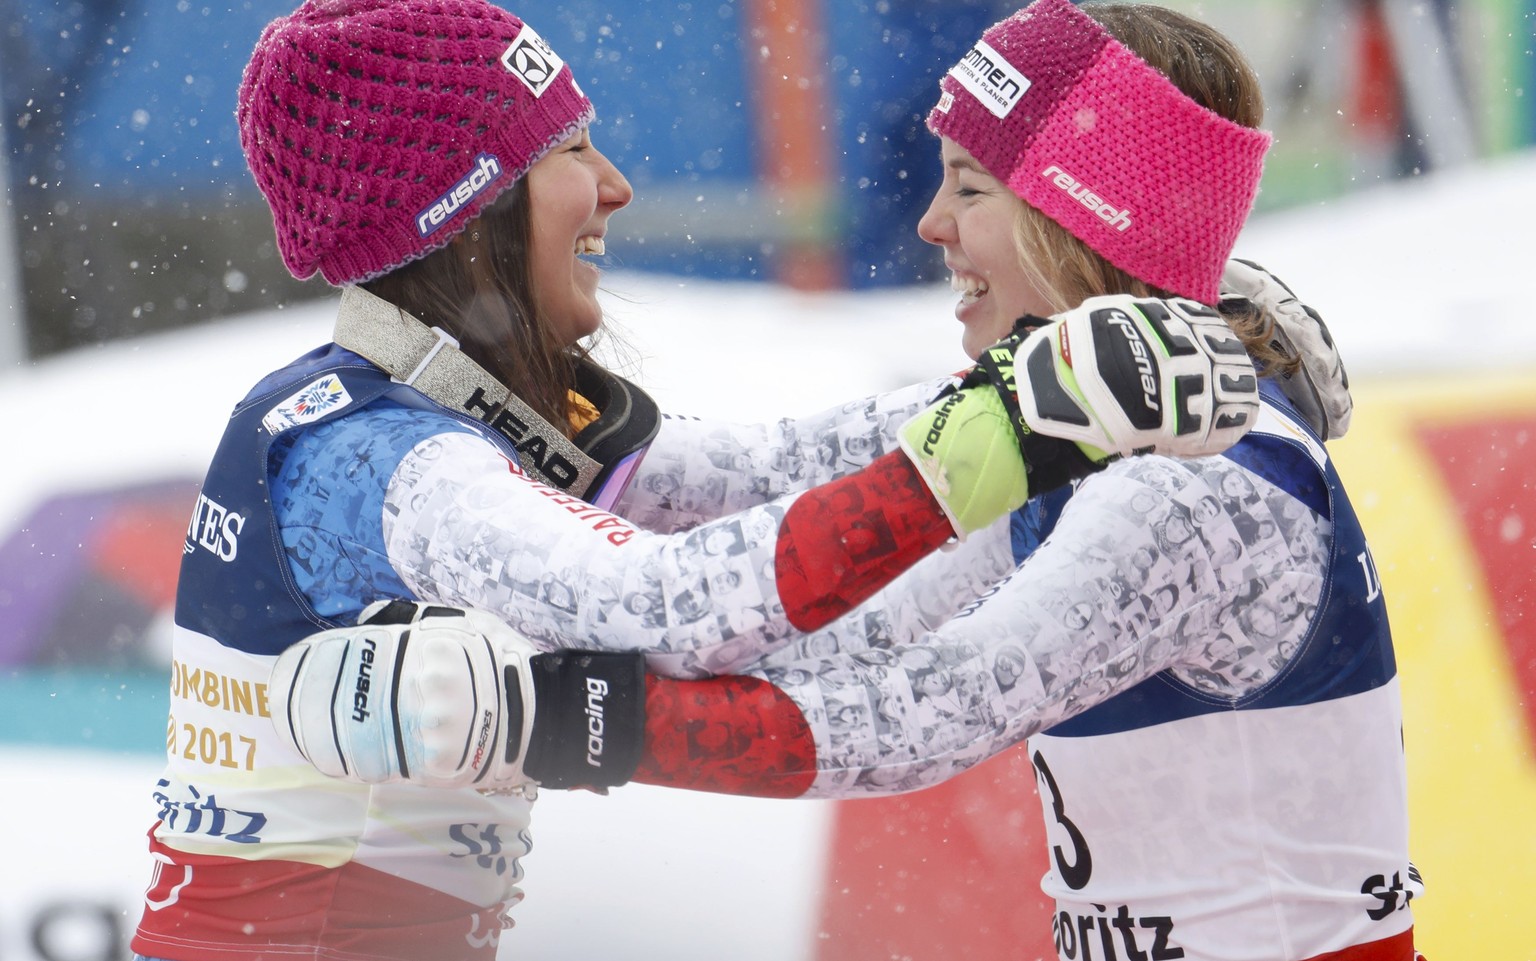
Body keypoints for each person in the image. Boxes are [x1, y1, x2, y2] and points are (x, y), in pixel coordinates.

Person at [128, 2, 1267, 960]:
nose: (616, 187)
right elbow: (683, 608)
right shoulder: (391, 461)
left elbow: (775, 470)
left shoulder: (424, 408)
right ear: (469, 212)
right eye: (570, 151)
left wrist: (1167, 339)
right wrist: (1026, 420)